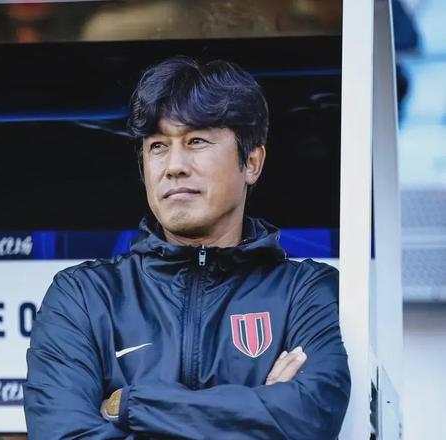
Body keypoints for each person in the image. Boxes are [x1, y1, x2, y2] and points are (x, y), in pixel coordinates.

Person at [24, 56, 350, 439]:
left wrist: (130, 406)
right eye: (158, 146)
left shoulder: (305, 292)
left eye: (196, 141)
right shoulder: (83, 296)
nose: (174, 166)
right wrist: (261, 408)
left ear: (251, 162)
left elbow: (307, 419)